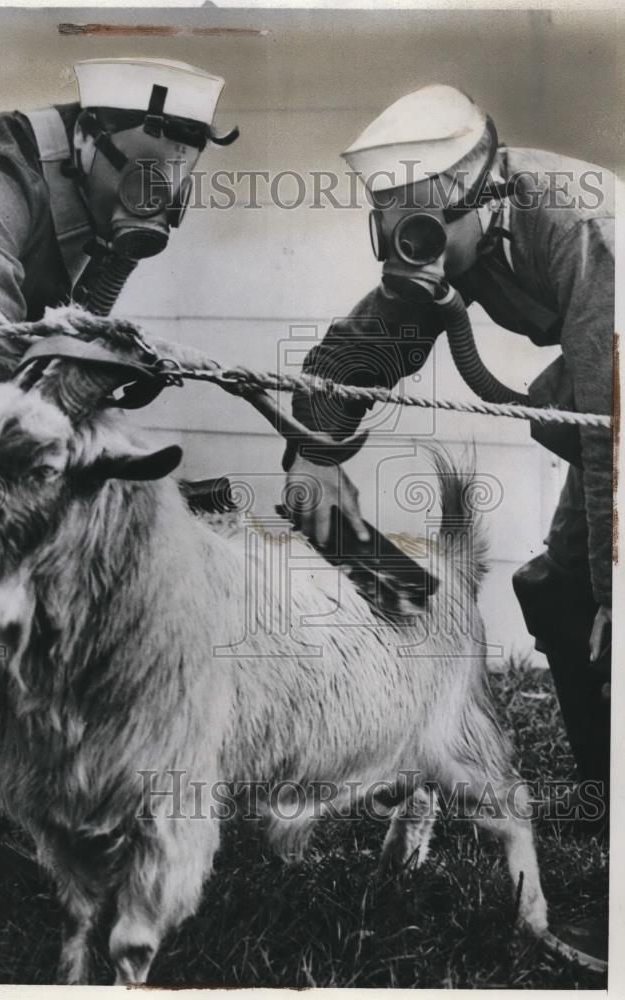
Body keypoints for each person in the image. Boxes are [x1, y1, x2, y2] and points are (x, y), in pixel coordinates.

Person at [0, 56, 238, 910]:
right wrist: (98, 367)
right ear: (85, 136)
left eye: (171, 195)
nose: (154, 207)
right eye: (143, 184)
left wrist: (104, 350)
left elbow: (55, 344)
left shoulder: (88, 179)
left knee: (5, 605)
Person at [284, 85, 613, 972]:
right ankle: (605, 802)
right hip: (599, 397)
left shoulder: (579, 230)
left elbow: (611, 413)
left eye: (420, 234)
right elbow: (363, 348)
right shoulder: (453, 244)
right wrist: (313, 449)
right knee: (556, 595)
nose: (407, 253)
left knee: (605, 606)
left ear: (484, 196)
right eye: (394, 232)